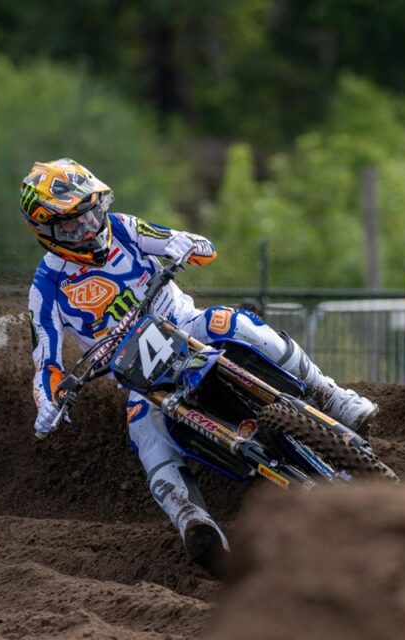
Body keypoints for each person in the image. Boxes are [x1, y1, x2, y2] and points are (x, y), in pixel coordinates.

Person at [22, 158, 378, 560]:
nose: (88, 228)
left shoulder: (124, 227)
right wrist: (48, 402)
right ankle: (191, 519)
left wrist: (184, 244)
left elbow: (201, 246)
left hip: (188, 326)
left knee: (232, 322)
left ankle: (330, 395)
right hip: (141, 377)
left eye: (91, 213)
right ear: (47, 232)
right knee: (144, 430)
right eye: (72, 225)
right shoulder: (46, 287)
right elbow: (46, 362)